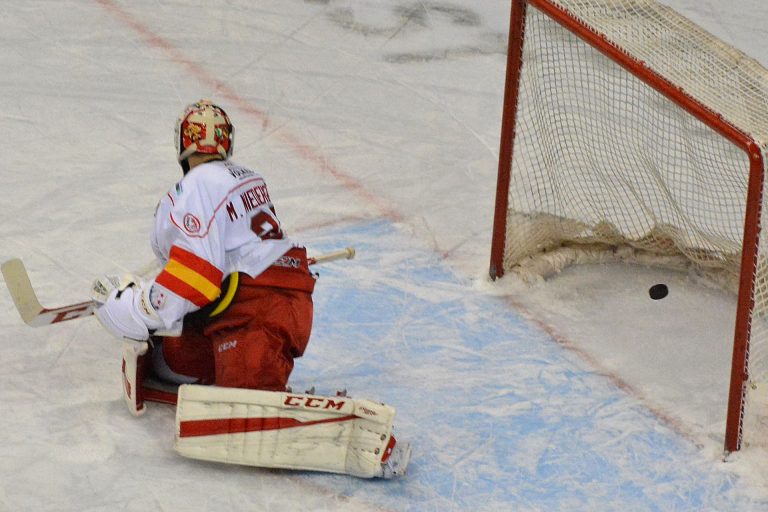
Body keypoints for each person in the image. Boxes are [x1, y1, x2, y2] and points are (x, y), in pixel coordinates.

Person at [93, 99, 316, 399]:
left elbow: (196, 274)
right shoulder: (250, 177)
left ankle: (255, 395)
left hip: (254, 310)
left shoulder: (191, 189)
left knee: (246, 404)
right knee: (175, 354)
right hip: (296, 299)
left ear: (182, 142)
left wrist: (140, 307)